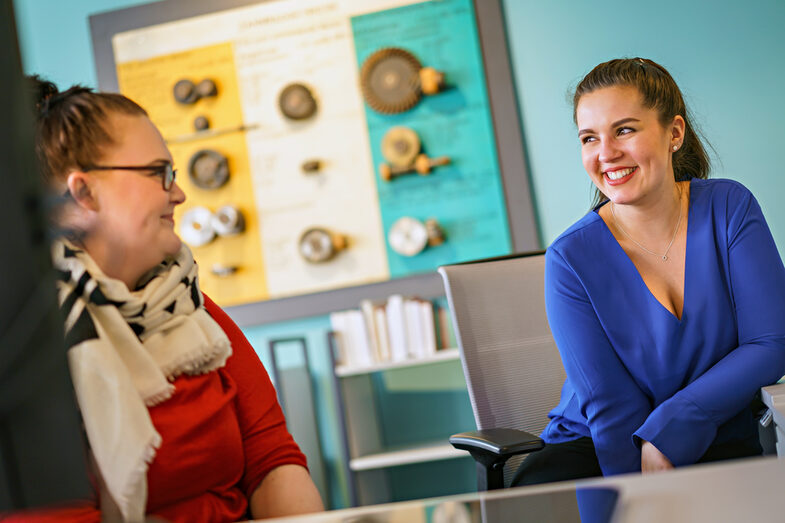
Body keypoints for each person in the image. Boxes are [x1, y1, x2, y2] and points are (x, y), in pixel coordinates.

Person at [12, 77, 325, 522]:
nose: (178, 193)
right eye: (158, 173)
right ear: (82, 193)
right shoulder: (32, 351)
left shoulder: (183, 301)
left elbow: (271, 456)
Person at [512, 58, 785, 486]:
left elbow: (771, 342)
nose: (606, 154)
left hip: (716, 432)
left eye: (624, 130)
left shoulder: (729, 208)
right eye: (589, 138)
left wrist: (674, 427)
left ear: (674, 133)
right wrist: (643, 496)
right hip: (598, 450)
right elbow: (609, 405)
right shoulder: (570, 258)